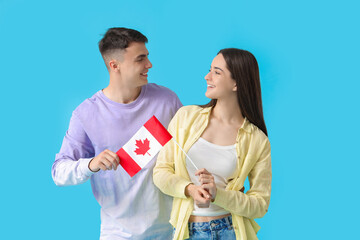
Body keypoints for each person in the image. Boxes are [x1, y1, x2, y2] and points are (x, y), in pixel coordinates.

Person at [52, 27, 182, 240]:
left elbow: (189, 150)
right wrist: (91, 164)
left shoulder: (167, 100)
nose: (149, 65)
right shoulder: (86, 114)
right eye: (140, 59)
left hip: (171, 231)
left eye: (147, 57)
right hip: (118, 234)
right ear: (115, 65)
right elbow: (58, 172)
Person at [153, 48, 272, 240]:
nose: (207, 76)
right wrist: (189, 189)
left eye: (217, 72)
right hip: (189, 231)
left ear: (236, 83)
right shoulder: (186, 117)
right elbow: (161, 172)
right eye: (210, 70)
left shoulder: (257, 140)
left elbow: (260, 204)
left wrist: (219, 194)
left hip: (231, 231)